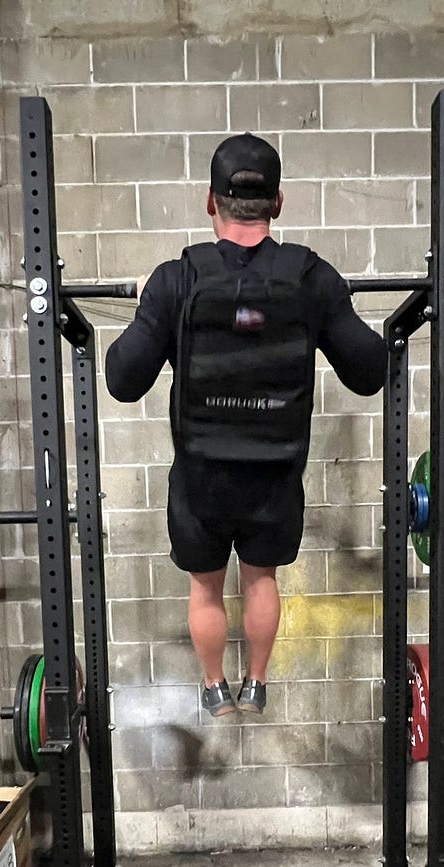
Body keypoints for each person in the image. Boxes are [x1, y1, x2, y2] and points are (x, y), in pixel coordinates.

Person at [105, 133, 387, 719]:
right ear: (277, 202)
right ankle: (256, 683)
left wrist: (152, 307)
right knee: (261, 580)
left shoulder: (176, 279)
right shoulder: (310, 277)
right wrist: (330, 305)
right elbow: (370, 372)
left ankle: (215, 688)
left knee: (205, 586)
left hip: (200, 479)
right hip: (274, 477)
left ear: (211, 201)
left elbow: (121, 380)